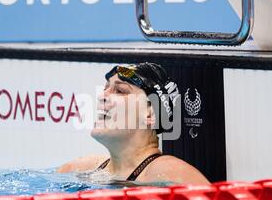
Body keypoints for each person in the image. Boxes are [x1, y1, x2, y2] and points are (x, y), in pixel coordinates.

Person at [57, 63, 210, 185]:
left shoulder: (173, 174)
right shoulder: (79, 169)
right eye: (105, 88)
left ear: (151, 114)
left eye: (120, 91)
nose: (102, 96)